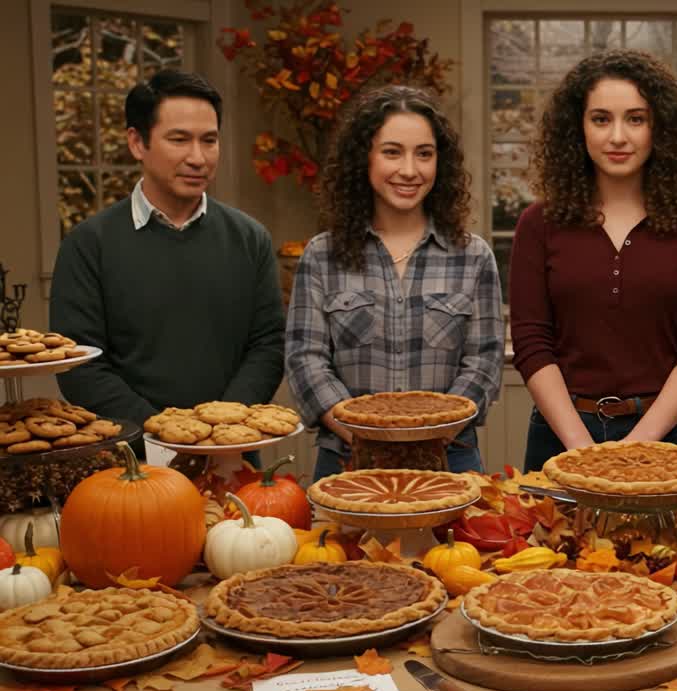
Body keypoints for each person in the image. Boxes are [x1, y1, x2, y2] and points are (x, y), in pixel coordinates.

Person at [510, 49, 677, 472]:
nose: (617, 137)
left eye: (635, 118)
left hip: (665, 437)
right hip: (559, 436)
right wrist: (579, 448)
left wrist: (637, 443)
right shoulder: (539, 223)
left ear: (658, 128)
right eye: (601, 119)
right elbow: (533, 343)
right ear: (578, 128)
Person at [286, 85, 503, 479]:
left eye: (424, 154)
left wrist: (427, 435)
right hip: (347, 462)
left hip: (450, 462)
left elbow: (484, 363)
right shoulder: (322, 255)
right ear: (363, 159)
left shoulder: (472, 256)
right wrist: (369, 436)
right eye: (392, 152)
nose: (409, 169)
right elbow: (306, 361)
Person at [51, 70, 283, 432]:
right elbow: (81, 366)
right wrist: (163, 434)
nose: (198, 158)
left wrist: (218, 432)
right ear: (137, 143)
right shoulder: (88, 245)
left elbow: (268, 346)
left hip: (229, 454)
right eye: (179, 140)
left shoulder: (250, 238)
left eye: (209, 140)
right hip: (125, 464)